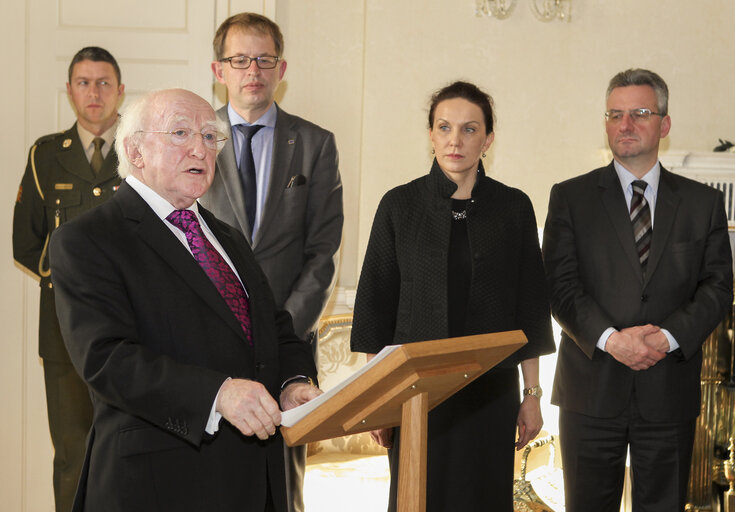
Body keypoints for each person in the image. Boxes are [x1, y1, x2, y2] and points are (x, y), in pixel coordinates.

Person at [48, 88, 321, 512]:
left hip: (255, 480)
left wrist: (293, 382)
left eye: (211, 137)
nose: (201, 148)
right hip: (158, 484)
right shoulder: (87, 240)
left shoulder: (227, 237)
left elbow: (273, 327)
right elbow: (108, 360)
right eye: (180, 133)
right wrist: (218, 394)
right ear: (135, 151)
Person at [350, 81, 555, 511]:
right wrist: (378, 401)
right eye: (444, 127)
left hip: (491, 392)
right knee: (417, 497)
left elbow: (531, 308)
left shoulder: (513, 207)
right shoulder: (398, 205)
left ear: (488, 139)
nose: (455, 140)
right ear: (430, 135)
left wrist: (532, 395)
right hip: (416, 393)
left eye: (469, 129)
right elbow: (374, 307)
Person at [542, 68, 733, 512]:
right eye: (615, 115)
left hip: (669, 391)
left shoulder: (703, 203)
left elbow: (718, 287)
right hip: (590, 391)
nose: (625, 125)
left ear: (664, 124)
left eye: (639, 114)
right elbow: (559, 285)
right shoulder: (570, 197)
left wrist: (664, 339)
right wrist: (613, 341)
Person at [202, 12, 343, 512]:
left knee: (283, 490)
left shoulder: (314, 143)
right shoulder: (194, 140)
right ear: (219, 70)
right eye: (240, 60)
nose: (252, 71)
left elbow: (323, 253)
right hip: (209, 345)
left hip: (288, 354)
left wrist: (282, 330)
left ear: (282, 68)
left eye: (263, 59)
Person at [12, 46, 124, 512]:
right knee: (72, 455)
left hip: (130, 329)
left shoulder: (142, 151)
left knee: (125, 452)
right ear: (69, 91)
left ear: (120, 90)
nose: (93, 92)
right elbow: (26, 243)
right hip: (62, 332)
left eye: (103, 82)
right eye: (84, 82)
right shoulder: (45, 156)